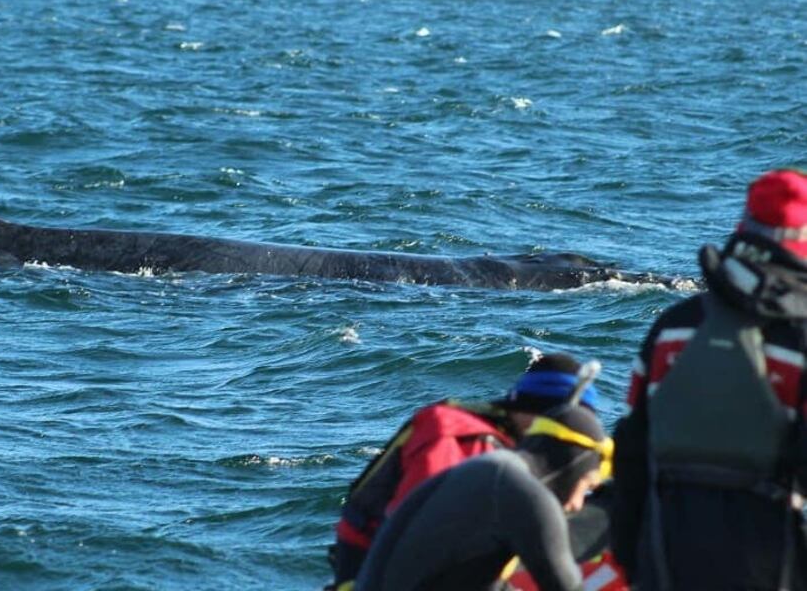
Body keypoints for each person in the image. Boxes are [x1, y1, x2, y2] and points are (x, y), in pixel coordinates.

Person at [610, 169, 807, 590]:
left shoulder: (673, 326)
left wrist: (631, 556)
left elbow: (629, 450)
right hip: (766, 554)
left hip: (664, 549)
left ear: (743, 228)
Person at [327, 353, 600, 590]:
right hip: (367, 569)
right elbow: (426, 529)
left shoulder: (505, 445)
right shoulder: (463, 438)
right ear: (541, 415)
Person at [355, 402, 613, 591]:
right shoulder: (527, 495)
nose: (578, 504)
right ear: (572, 466)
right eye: (587, 484)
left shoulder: (485, 469)